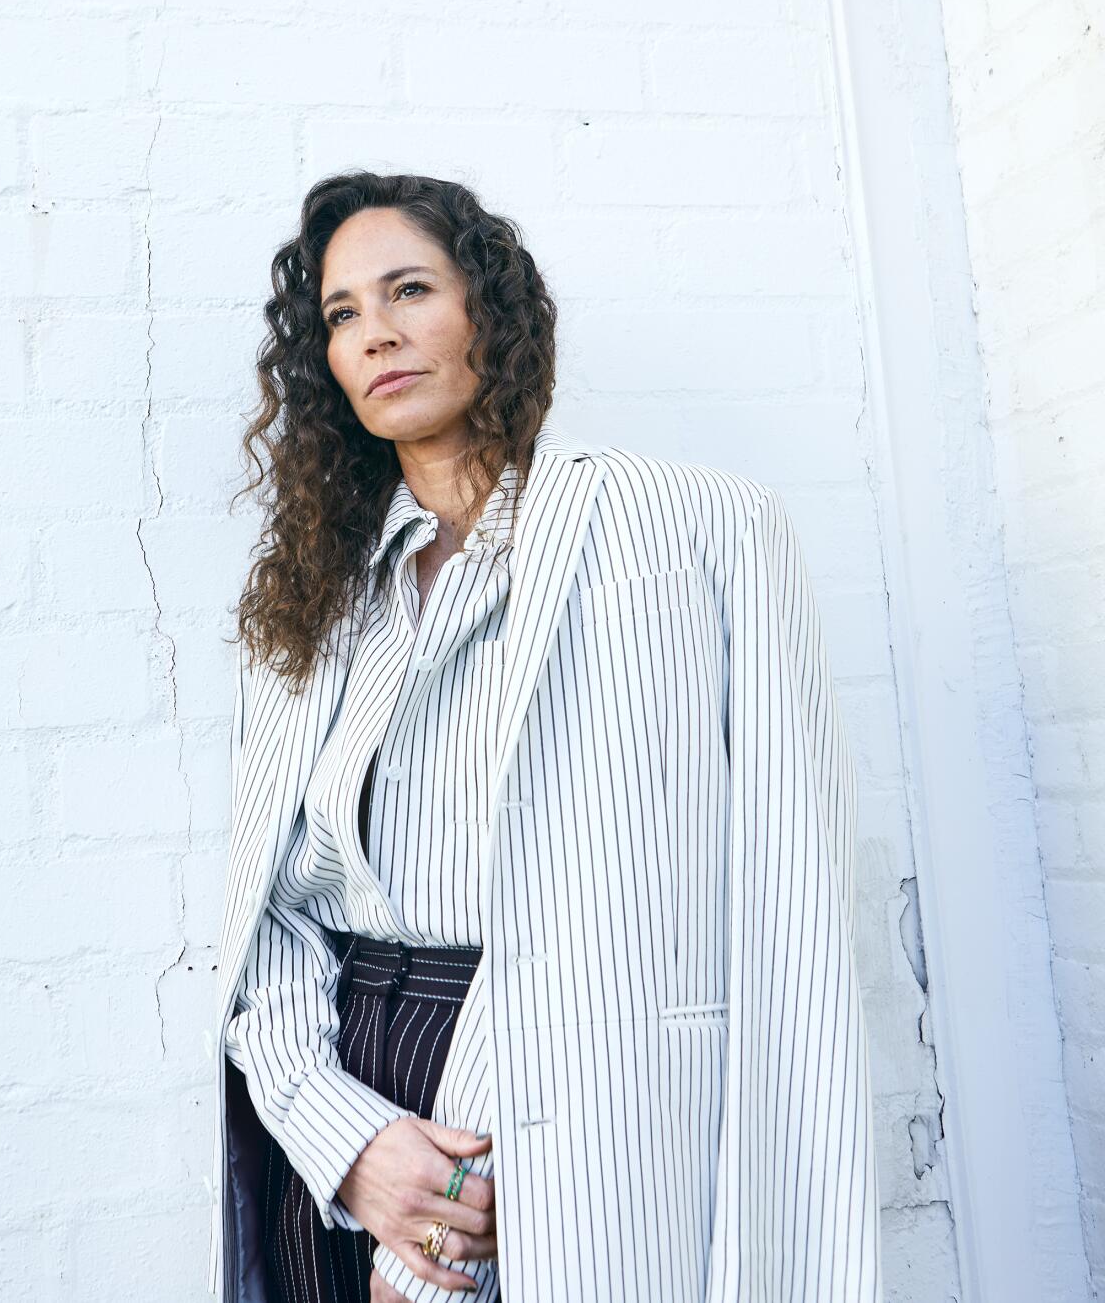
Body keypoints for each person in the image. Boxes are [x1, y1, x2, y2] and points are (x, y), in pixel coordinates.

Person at [207, 169, 882, 1303]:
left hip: (580, 1097)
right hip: (345, 1107)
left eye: (409, 289)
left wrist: (448, 1188)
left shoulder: (693, 530)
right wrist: (348, 1142)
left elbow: (788, 899)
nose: (376, 333)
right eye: (341, 314)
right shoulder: (317, 598)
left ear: (490, 312)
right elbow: (268, 907)